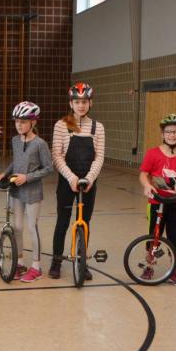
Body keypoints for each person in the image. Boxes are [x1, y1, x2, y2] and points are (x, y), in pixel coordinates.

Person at [0, 101, 54, 282]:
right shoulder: (15, 140)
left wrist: (27, 177)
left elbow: (48, 168)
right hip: (16, 191)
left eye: (23, 121)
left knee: (31, 227)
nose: (19, 124)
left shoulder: (40, 144)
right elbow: (16, 161)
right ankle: (19, 263)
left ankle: (36, 266)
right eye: (17, 121)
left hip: (32, 191)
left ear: (33, 123)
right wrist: (5, 172)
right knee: (17, 228)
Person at [50, 82, 105, 281]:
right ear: (71, 103)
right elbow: (57, 155)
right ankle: (56, 260)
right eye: (77, 101)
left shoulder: (98, 127)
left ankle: (82, 260)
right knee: (63, 221)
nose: (81, 105)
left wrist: (89, 178)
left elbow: (99, 157)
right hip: (67, 180)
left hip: (89, 181)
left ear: (90, 103)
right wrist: (72, 178)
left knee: (85, 222)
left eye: (84, 101)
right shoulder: (61, 125)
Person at [139, 113, 176, 287]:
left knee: (175, 238)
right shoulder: (153, 154)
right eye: (169, 131)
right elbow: (143, 175)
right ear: (162, 134)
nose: (172, 135)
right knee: (154, 235)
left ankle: (174, 270)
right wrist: (147, 186)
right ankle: (149, 266)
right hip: (157, 202)